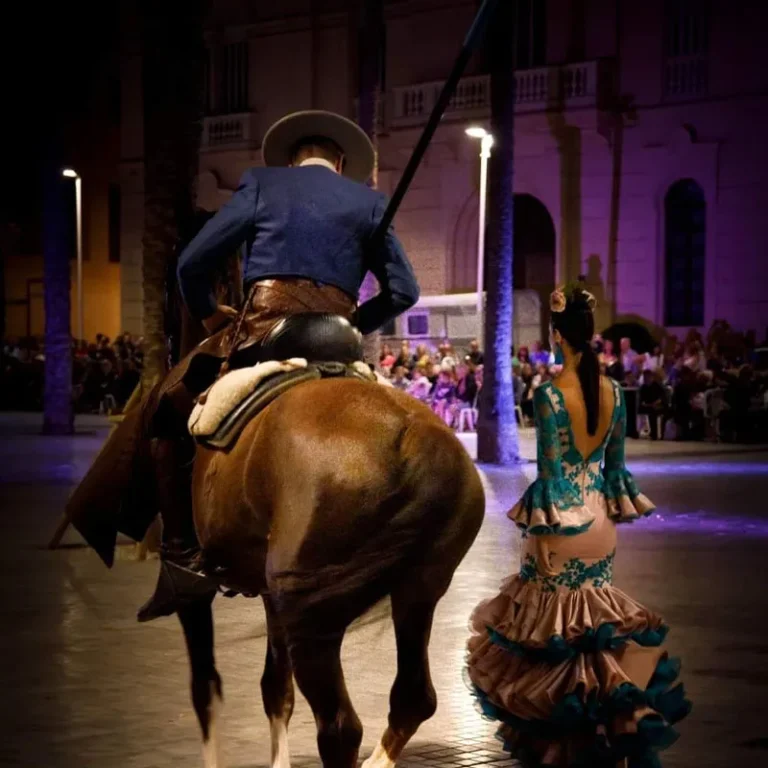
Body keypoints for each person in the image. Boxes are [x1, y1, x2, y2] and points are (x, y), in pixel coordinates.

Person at [66, 110, 420, 621]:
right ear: (341, 162)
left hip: (265, 331)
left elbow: (192, 263)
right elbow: (406, 290)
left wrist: (210, 312)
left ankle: (183, 556)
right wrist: (351, 323)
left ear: (294, 157)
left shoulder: (261, 184)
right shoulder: (370, 201)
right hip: (339, 342)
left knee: (169, 407)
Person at [466, 285, 690, 766]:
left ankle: (561, 750)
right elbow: (616, 470)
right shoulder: (613, 390)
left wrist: (543, 539)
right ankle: (608, 733)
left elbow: (550, 475)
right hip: (601, 524)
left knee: (552, 636)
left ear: (556, 337)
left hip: (561, 524)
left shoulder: (550, 395)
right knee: (594, 632)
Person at [639, 369, 667, 440]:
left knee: (653, 412)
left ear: (651, 377)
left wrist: (655, 403)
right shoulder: (643, 387)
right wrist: (646, 404)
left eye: (648, 377)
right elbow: (641, 400)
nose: (646, 379)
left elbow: (662, 398)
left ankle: (654, 434)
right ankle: (639, 432)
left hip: (658, 406)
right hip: (647, 405)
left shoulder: (658, 386)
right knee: (639, 410)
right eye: (645, 377)